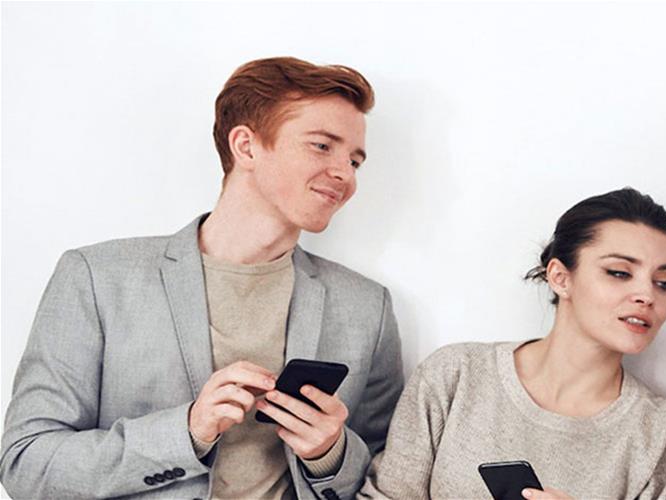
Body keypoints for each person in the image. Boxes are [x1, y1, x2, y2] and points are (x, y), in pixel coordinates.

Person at [2, 56, 402, 500]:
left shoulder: (368, 308)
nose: (344, 174)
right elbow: (27, 463)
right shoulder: (97, 278)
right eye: (322, 146)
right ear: (246, 146)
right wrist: (186, 432)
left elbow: (389, 476)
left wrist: (331, 452)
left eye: (355, 160)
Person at [359, 188, 666, 500]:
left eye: (664, 283)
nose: (647, 296)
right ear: (560, 277)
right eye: (619, 272)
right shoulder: (456, 376)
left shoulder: (662, 433)